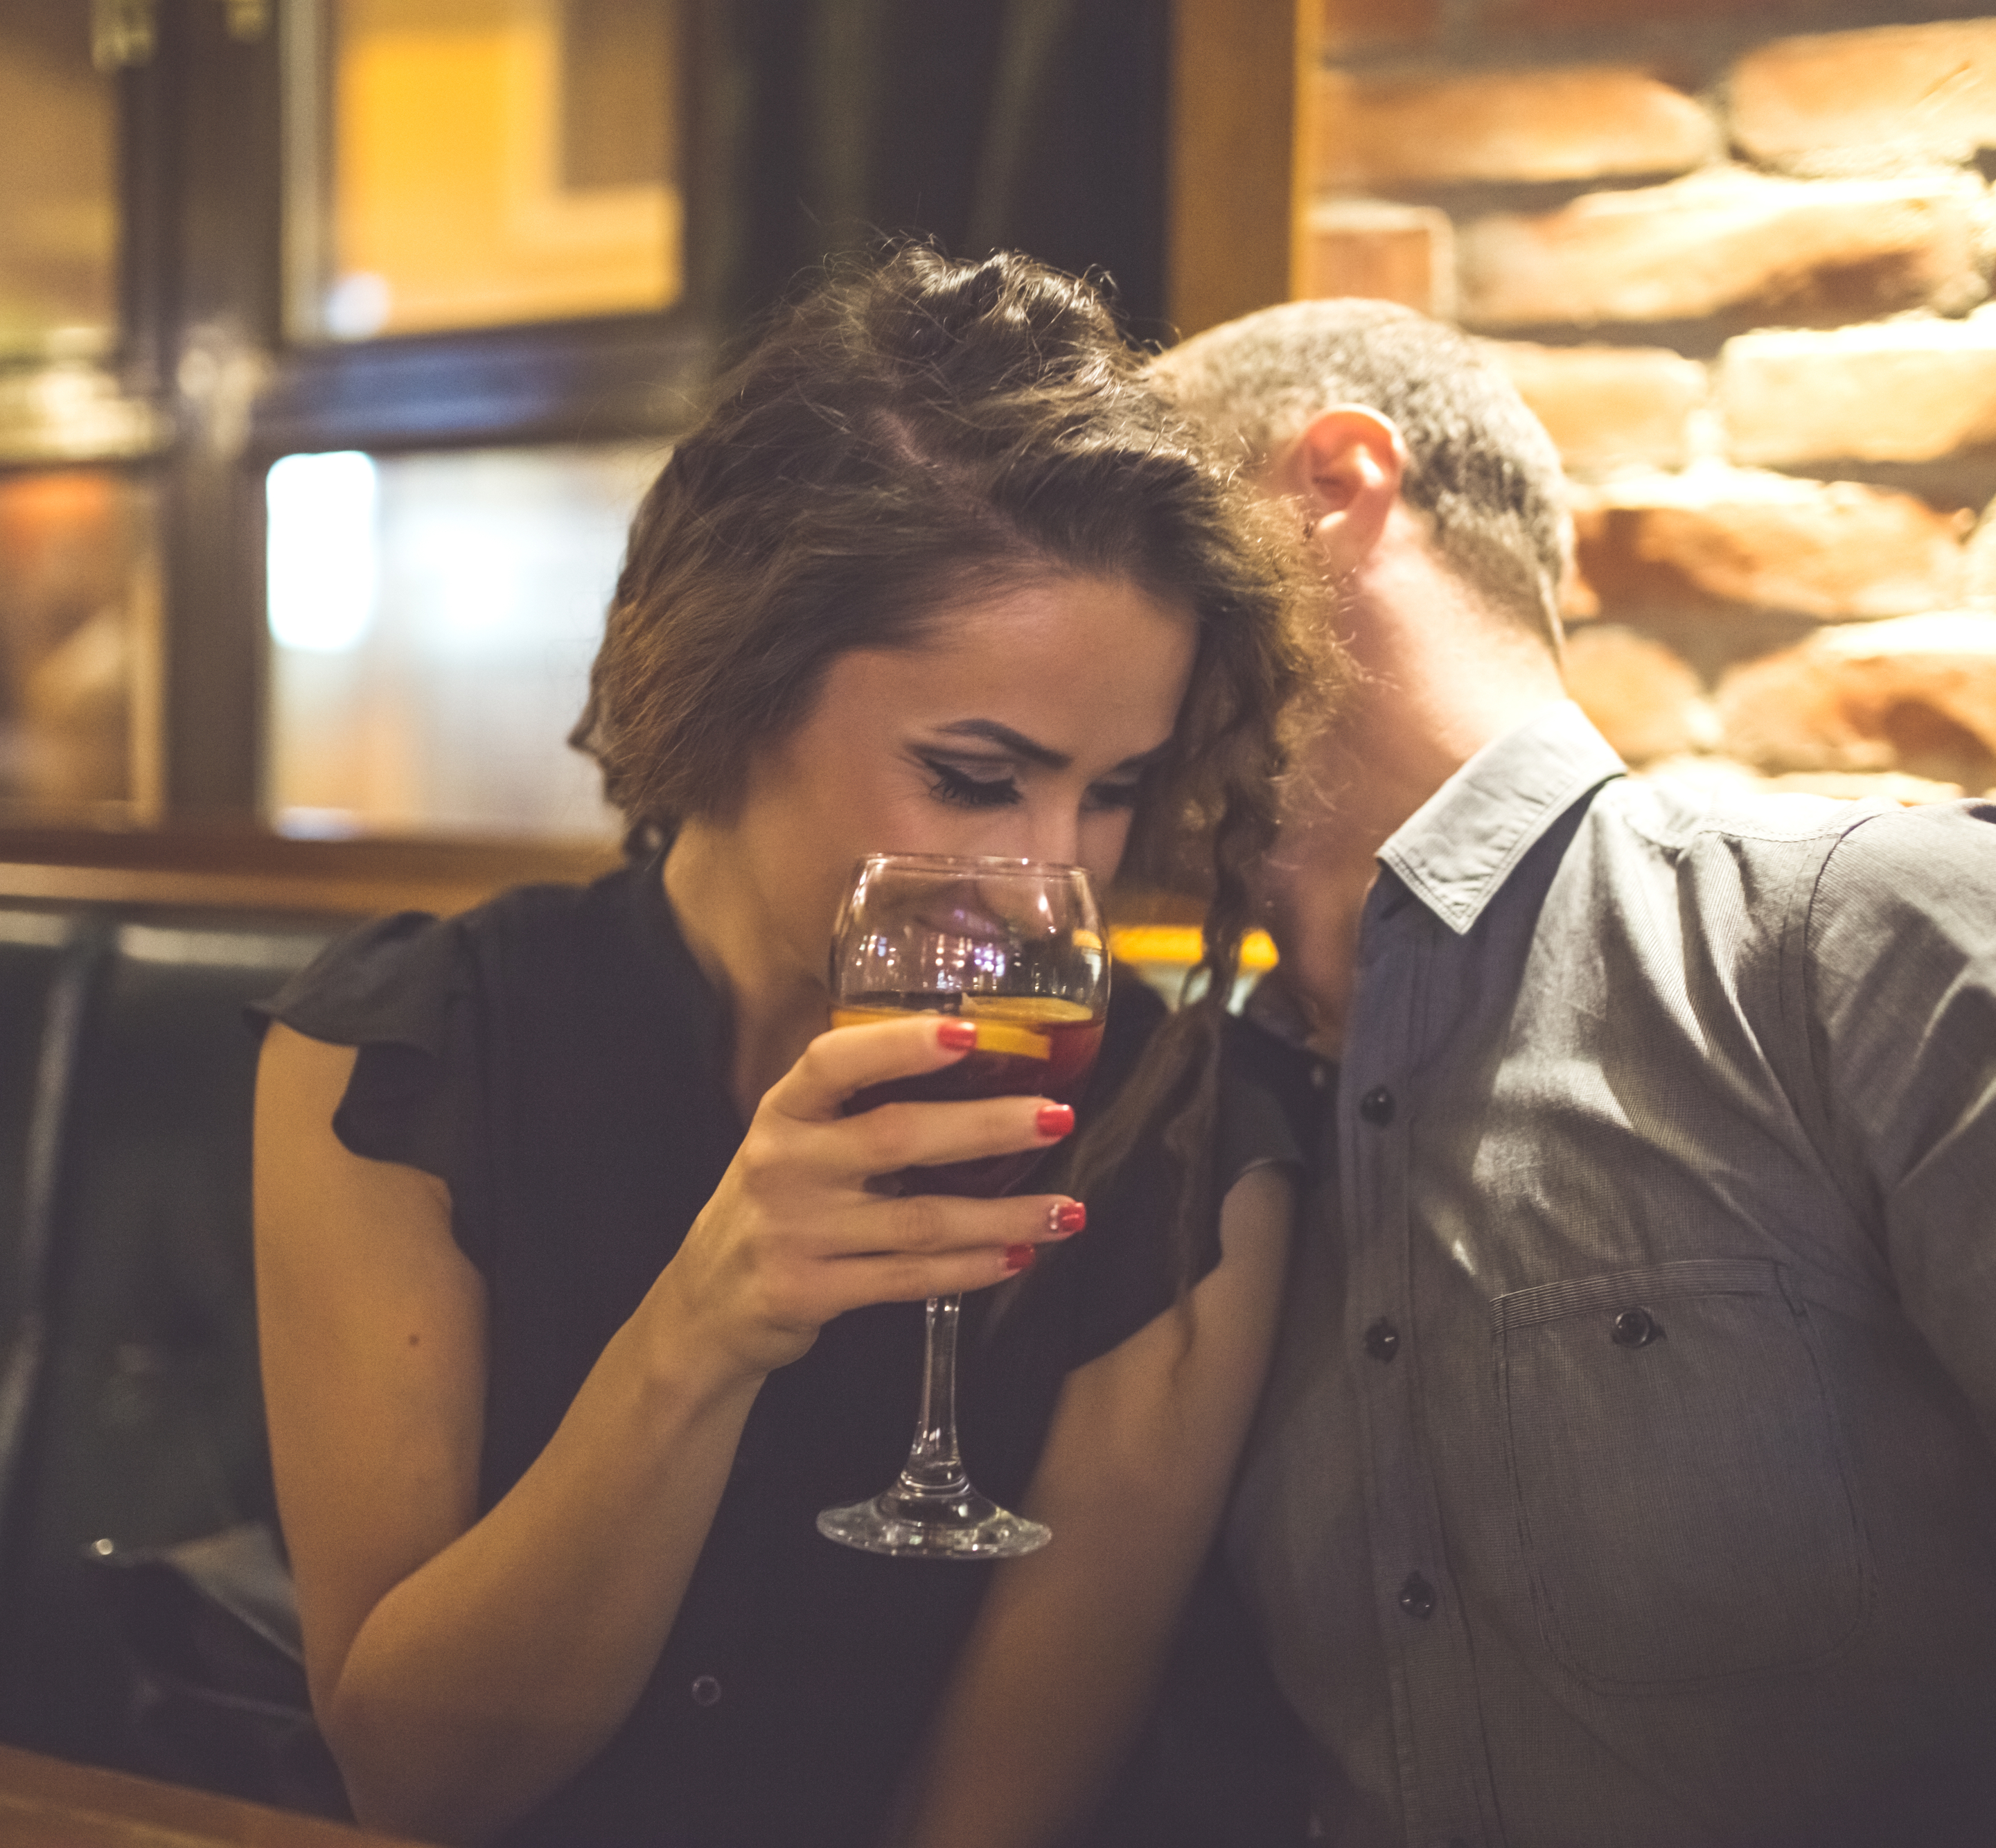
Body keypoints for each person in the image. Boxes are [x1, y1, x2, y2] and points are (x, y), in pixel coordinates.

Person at [1152, 299, 1996, 1848]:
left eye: (1154, 533)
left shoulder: (1888, 934)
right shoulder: (1180, 1111)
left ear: (1334, 481)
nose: (1109, 617)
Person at [249, 247, 1326, 1848]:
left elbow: (985, 1820)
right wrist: (705, 1326)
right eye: (975, 777)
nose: (1060, 875)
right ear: (735, 681)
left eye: (1109, 788)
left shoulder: (1180, 1142)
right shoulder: (406, 1055)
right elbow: (412, 1774)